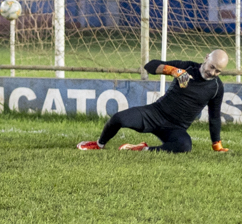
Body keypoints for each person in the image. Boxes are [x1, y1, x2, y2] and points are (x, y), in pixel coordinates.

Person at [77, 50, 230, 153]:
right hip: (155, 113)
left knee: (184, 146)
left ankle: (142, 149)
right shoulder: (187, 67)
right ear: (206, 58)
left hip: (176, 128)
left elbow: (214, 117)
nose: (212, 73)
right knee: (118, 118)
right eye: (212, 67)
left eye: (218, 71)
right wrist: (173, 71)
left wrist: (217, 145)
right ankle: (99, 144)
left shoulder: (217, 87)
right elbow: (150, 66)